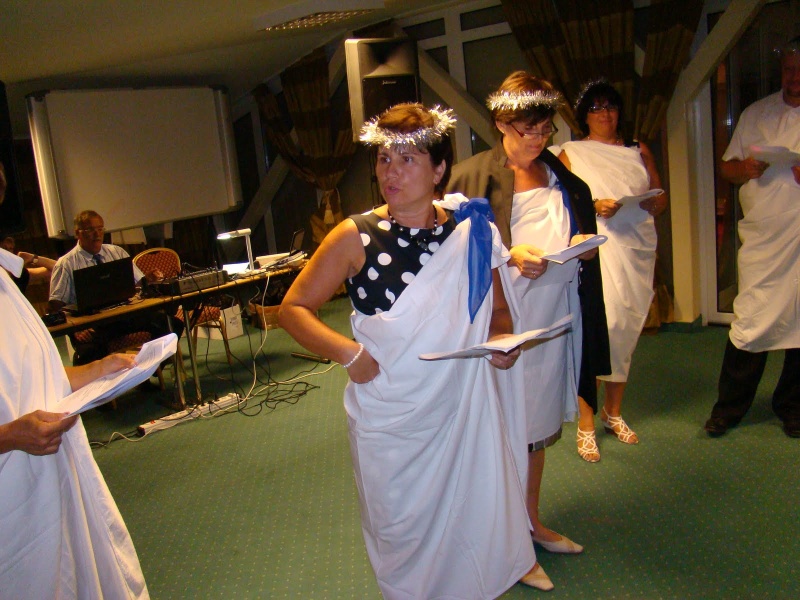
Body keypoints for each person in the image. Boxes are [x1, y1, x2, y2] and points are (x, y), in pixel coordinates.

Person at [279, 103, 550, 597]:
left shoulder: (470, 228)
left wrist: (501, 343)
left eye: (407, 159)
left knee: (469, 511)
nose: (391, 172)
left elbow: (498, 309)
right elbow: (293, 309)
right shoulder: (355, 235)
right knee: (399, 527)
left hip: (459, 405)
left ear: (439, 169)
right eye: (384, 159)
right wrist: (349, 354)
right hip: (390, 409)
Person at [448, 71, 610, 560]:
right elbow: (448, 255)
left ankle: (529, 520)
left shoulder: (561, 176)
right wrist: (508, 254)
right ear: (501, 122)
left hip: (551, 315)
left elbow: (577, 224)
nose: (538, 140)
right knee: (495, 424)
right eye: (528, 130)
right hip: (499, 319)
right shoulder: (471, 177)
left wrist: (583, 246)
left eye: (545, 129)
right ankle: (493, 531)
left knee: (535, 424)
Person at [0, 211, 149, 596]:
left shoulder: (5, 281)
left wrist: (100, 369)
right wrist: (10, 436)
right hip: (13, 500)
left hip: (58, 472)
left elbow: (38, 372)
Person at [558, 80, 668, 461]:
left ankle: (613, 411)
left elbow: (659, 195)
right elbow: (562, 199)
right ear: (584, 116)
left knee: (627, 329)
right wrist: (593, 204)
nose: (604, 114)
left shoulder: (638, 149)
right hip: (600, 249)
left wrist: (655, 204)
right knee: (598, 330)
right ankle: (586, 420)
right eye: (596, 108)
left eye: (610, 106)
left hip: (637, 245)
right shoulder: (571, 152)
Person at [704, 36, 800, 438]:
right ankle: (729, 408)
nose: (794, 77)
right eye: (789, 69)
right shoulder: (756, 113)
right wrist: (743, 168)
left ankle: (793, 406)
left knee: (799, 319)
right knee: (751, 318)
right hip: (764, 236)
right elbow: (727, 168)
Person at [48, 209, 177, 365]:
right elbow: (55, 305)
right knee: (90, 352)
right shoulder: (66, 263)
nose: (97, 234)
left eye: (100, 229)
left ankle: (147, 369)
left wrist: (148, 279)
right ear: (78, 233)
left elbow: (138, 284)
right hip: (92, 325)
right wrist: (76, 329)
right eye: (90, 230)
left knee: (170, 325)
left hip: (124, 316)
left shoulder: (116, 252)